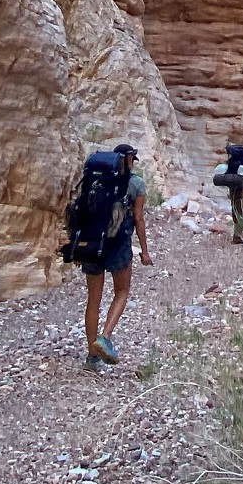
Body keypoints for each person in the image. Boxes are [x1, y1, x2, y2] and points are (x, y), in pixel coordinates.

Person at [76, 143, 151, 372]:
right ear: (129, 159)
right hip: (118, 244)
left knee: (93, 300)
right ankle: (105, 337)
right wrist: (144, 251)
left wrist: (77, 248)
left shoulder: (93, 180)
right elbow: (138, 219)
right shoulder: (136, 184)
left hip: (91, 243)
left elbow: (80, 211)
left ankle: (92, 356)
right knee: (122, 291)